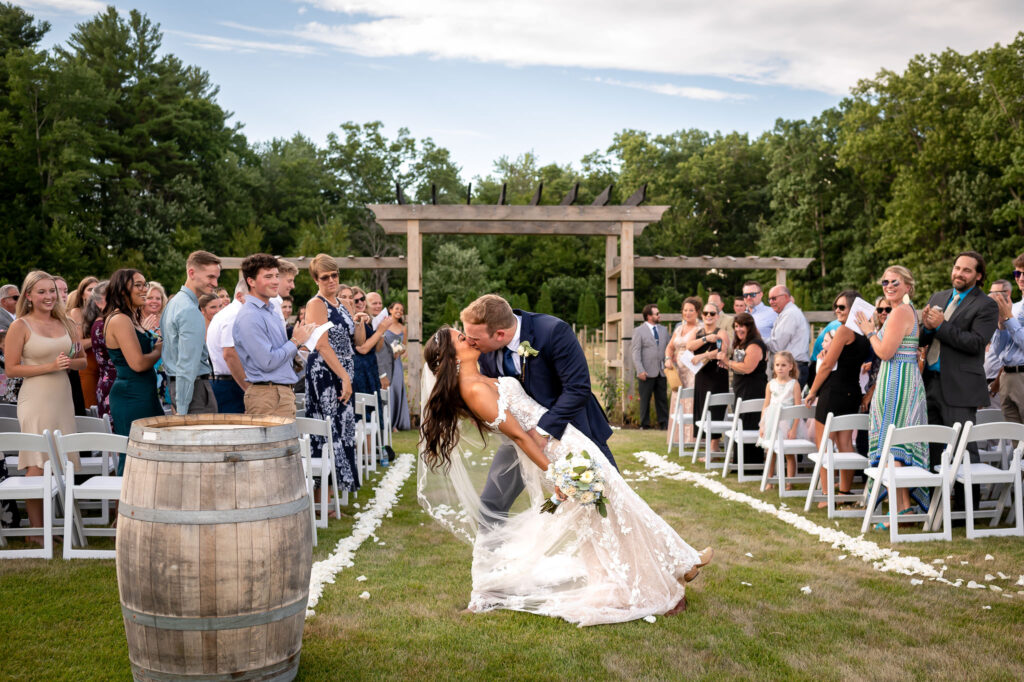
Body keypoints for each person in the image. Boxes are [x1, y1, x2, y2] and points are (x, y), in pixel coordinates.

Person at [420, 325, 713, 624]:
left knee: (613, 508)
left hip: (567, 439)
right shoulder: (473, 389)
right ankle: (674, 567)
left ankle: (679, 562)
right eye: (460, 338)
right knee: (614, 509)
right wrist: (556, 473)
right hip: (558, 455)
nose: (467, 337)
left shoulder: (481, 373)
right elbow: (521, 438)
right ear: (452, 357)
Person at [460, 294, 618, 522]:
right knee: (492, 503)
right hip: (520, 435)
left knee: (608, 503)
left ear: (500, 334)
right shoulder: (485, 351)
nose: (469, 342)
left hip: (573, 430)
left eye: (474, 338)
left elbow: (577, 387)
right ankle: (491, 555)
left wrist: (543, 430)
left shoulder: (553, 331)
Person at [4, 271, 84, 545]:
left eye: (53, 291)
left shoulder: (67, 322)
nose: (49, 296)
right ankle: (35, 531)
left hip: (62, 396)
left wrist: (68, 363)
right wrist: (50, 366)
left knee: (61, 460)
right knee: (37, 462)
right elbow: (12, 367)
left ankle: (56, 525)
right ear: (28, 295)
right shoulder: (21, 326)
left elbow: (82, 361)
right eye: (42, 292)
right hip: (35, 398)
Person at [919, 251, 997, 514]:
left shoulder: (986, 305)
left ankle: (967, 512)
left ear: (978, 276)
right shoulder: (939, 297)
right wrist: (927, 327)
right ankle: (936, 508)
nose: (959, 274)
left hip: (961, 387)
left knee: (963, 450)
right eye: (956, 268)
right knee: (932, 447)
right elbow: (923, 338)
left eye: (966, 270)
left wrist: (941, 326)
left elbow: (976, 343)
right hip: (930, 381)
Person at [853, 265, 929, 517]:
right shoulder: (904, 311)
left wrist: (869, 332)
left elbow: (885, 352)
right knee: (895, 443)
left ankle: (903, 509)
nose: (889, 286)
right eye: (885, 282)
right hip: (900, 378)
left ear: (908, 286)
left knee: (892, 443)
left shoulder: (899, 313)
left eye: (895, 282)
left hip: (898, 380)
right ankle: (903, 507)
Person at [805, 291, 871, 503]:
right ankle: (843, 493)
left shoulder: (844, 330)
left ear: (853, 309)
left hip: (833, 391)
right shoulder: (865, 333)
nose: (837, 310)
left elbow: (825, 365)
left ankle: (827, 494)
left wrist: (813, 391)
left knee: (824, 445)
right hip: (853, 392)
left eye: (842, 307)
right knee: (845, 444)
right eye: (836, 306)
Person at [233, 254, 314, 418]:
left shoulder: (271, 311)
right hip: (268, 397)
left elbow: (281, 354)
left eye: (277, 276)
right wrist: (296, 340)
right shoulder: (250, 316)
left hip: (279, 394)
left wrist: (303, 342)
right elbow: (267, 361)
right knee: (272, 445)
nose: (276, 281)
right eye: (268, 276)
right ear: (251, 281)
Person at [304, 254, 359, 494]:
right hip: (326, 374)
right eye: (324, 277)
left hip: (345, 369)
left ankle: (337, 493)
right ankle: (321, 498)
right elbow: (322, 345)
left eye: (334, 275)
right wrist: (344, 378)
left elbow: (354, 340)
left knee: (345, 428)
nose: (331, 280)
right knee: (328, 431)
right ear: (316, 279)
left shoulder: (342, 303)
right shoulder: (316, 304)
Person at [104, 269, 165, 474]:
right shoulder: (120, 320)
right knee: (135, 456)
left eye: (144, 284)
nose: (144, 290)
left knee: (150, 454)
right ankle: (124, 504)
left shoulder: (132, 317)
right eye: (138, 285)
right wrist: (159, 349)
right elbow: (137, 363)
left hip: (144, 393)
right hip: (131, 395)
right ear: (122, 290)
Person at [161, 250, 221, 415]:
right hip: (194, 391)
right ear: (191, 273)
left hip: (182, 388)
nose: (215, 283)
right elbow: (187, 365)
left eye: (216, 278)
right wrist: (181, 409)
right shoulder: (188, 309)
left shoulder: (174, 303)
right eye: (210, 277)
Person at [685, 302, 730, 452]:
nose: (708, 316)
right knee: (702, 408)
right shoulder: (698, 332)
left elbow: (721, 351)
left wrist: (702, 356)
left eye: (712, 313)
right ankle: (708, 447)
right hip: (702, 376)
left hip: (717, 375)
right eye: (706, 313)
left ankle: (714, 448)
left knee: (714, 409)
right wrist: (706, 339)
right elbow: (689, 346)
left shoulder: (721, 331)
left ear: (717, 316)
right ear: (702, 316)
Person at [756, 352, 802, 488]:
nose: (780, 368)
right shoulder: (770, 384)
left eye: (783, 365)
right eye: (777, 365)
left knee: (788, 453)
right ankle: (770, 481)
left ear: (790, 367)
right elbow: (766, 406)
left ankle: (790, 482)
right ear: (773, 367)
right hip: (771, 423)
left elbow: (798, 408)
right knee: (770, 451)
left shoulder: (794, 384)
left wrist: (794, 429)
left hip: (788, 424)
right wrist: (762, 426)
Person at [719, 312, 767, 441]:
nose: (738, 329)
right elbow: (738, 366)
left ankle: (750, 459)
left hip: (753, 390)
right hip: (741, 389)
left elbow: (747, 368)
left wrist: (727, 362)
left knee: (749, 425)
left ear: (749, 327)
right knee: (740, 423)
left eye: (742, 326)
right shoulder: (741, 343)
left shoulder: (755, 344)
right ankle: (740, 459)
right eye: (736, 326)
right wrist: (728, 365)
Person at [206, 278, 249, 414]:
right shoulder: (234, 315)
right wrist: (249, 390)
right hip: (229, 384)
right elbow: (230, 354)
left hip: (228, 382)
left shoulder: (231, 313)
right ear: (240, 296)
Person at [665, 296, 701, 442]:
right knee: (678, 399)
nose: (687, 313)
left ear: (697, 312)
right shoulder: (679, 328)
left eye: (691, 310)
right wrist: (668, 358)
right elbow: (670, 346)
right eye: (685, 310)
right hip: (678, 371)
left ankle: (691, 438)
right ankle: (677, 437)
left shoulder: (701, 328)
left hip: (693, 369)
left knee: (691, 400)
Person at [990, 272, 1024, 421]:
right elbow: (998, 350)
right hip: (1006, 376)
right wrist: (1001, 324)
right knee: (1013, 438)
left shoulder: (1011, 311)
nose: (1020, 278)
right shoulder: (1014, 307)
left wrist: (1009, 318)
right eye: (1017, 273)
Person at [631, 303, 669, 429]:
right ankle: (644, 424)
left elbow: (669, 348)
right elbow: (636, 352)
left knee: (662, 399)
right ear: (649, 316)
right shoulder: (639, 331)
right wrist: (640, 370)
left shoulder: (663, 330)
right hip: (646, 372)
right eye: (657, 314)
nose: (659, 315)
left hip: (662, 371)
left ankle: (664, 423)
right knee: (645, 399)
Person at [766, 285, 811, 387]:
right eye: (769, 299)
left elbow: (777, 346)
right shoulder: (791, 312)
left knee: (786, 403)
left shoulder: (789, 314)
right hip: (794, 367)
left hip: (792, 369)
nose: (771, 302)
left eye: (774, 298)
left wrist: (758, 339)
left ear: (786, 297)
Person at [66, 276, 99, 414]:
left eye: (96, 289)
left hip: (104, 365)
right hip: (87, 366)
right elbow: (77, 345)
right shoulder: (77, 312)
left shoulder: (103, 311)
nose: (93, 293)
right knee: (89, 408)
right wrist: (98, 338)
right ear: (82, 293)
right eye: (90, 289)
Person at [84, 281, 115, 419]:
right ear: (98, 303)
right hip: (112, 385)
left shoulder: (105, 322)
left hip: (108, 382)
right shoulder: (103, 325)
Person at [984, 279, 1013, 410]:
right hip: (981, 385)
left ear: (1007, 293)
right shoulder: (987, 318)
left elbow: (1009, 358)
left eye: (995, 293)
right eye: (990, 292)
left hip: (998, 386)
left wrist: (995, 385)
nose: (990, 296)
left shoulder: (1012, 321)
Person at [384, 301, 411, 431]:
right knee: (386, 390)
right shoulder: (384, 324)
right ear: (390, 310)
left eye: (401, 310)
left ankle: (394, 424)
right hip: (384, 362)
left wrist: (399, 350)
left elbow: (404, 346)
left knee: (396, 389)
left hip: (396, 362)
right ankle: (385, 422)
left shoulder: (403, 328)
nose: (399, 311)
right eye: (396, 309)